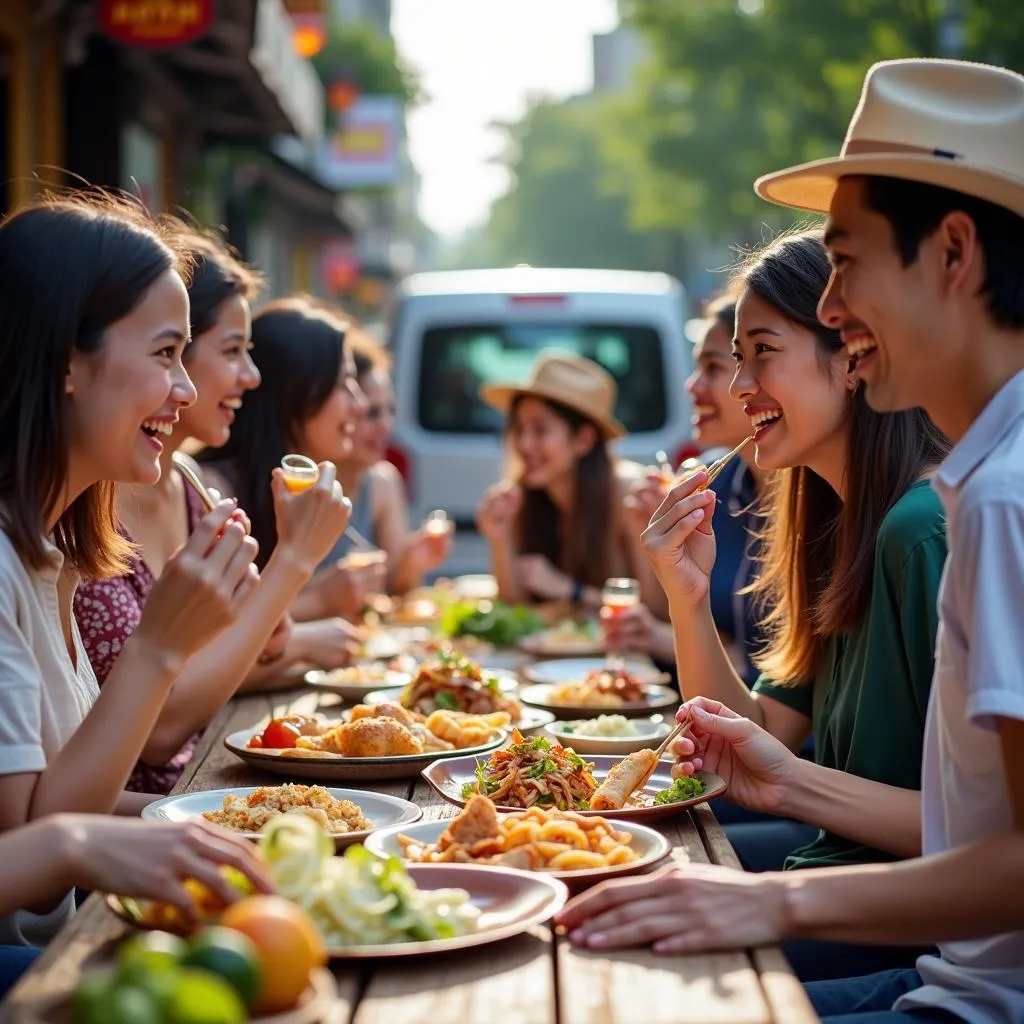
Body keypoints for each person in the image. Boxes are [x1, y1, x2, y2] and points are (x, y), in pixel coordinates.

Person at [558, 58, 1024, 1024]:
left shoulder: (977, 506)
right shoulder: (964, 486)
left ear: (953, 253)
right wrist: (687, 600)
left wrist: (768, 884)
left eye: (846, 262)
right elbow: (784, 750)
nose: (836, 307)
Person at [561, 228, 951, 984]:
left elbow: (979, 837)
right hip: (833, 877)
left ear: (852, 357)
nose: (741, 387)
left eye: (761, 352)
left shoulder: (921, 530)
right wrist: (685, 594)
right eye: (735, 359)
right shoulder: (836, 519)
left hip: (909, 932)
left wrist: (790, 795)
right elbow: (759, 732)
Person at [0, 193, 259, 947]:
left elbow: (61, 813)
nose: (186, 389)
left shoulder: (48, 553)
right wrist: (159, 648)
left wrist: (242, 819)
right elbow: (42, 841)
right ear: (67, 363)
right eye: (165, 353)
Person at [74, 227, 353, 796]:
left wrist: (275, 635)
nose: (251, 376)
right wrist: (294, 563)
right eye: (232, 351)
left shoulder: (191, 486)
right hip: (163, 817)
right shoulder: (74, 511)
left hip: (198, 792)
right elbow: (159, 727)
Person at [609, 293, 770, 683]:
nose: (692, 386)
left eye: (713, 367)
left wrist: (657, 635)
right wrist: (642, 532)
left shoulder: (814, 501)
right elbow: (671, 609)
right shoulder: (720, 481)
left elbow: (764, 669)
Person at [197, 296, 382, 624]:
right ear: (294, 392)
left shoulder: (307, 485)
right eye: (342, 384)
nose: (359, 403)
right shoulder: (213, 494)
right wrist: (322, 600)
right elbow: (208, 638)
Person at [475, 352, 641, 608]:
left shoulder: (629, 493)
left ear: (584, 439)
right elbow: (513, 609)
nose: (524, 443)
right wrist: (499, 537)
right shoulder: (522, 494)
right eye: (519, 429)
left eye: (540, 430)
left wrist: (566, 589)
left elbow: (656, 613)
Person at [333, 330, 452, 593]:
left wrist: (414, 560)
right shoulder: (302, 486)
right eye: (372, 413)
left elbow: (398, 589)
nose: (387, 426)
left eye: (390, 411)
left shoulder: (382, 481)